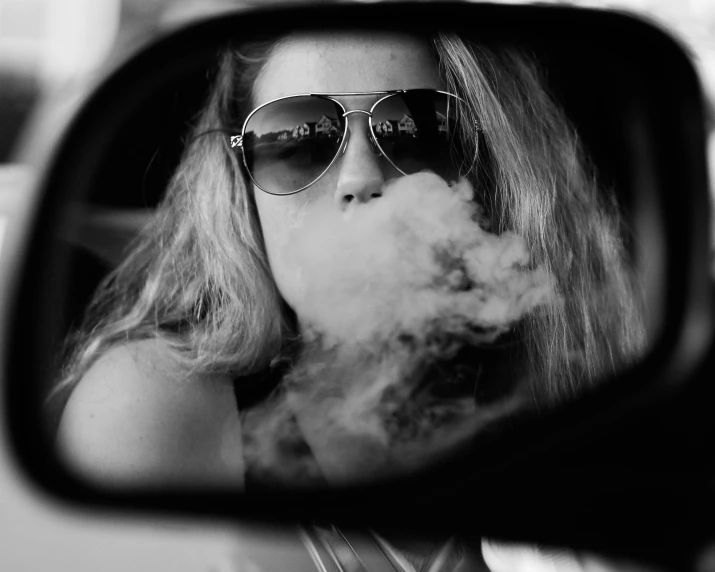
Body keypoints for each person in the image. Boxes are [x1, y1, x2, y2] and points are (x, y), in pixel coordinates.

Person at [50, 25, 644, 539]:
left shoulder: (580, 405)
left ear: (488, 172)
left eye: (416, 128)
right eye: (298, 137)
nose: (359, 177)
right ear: (240, 185)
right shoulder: (156, 408)